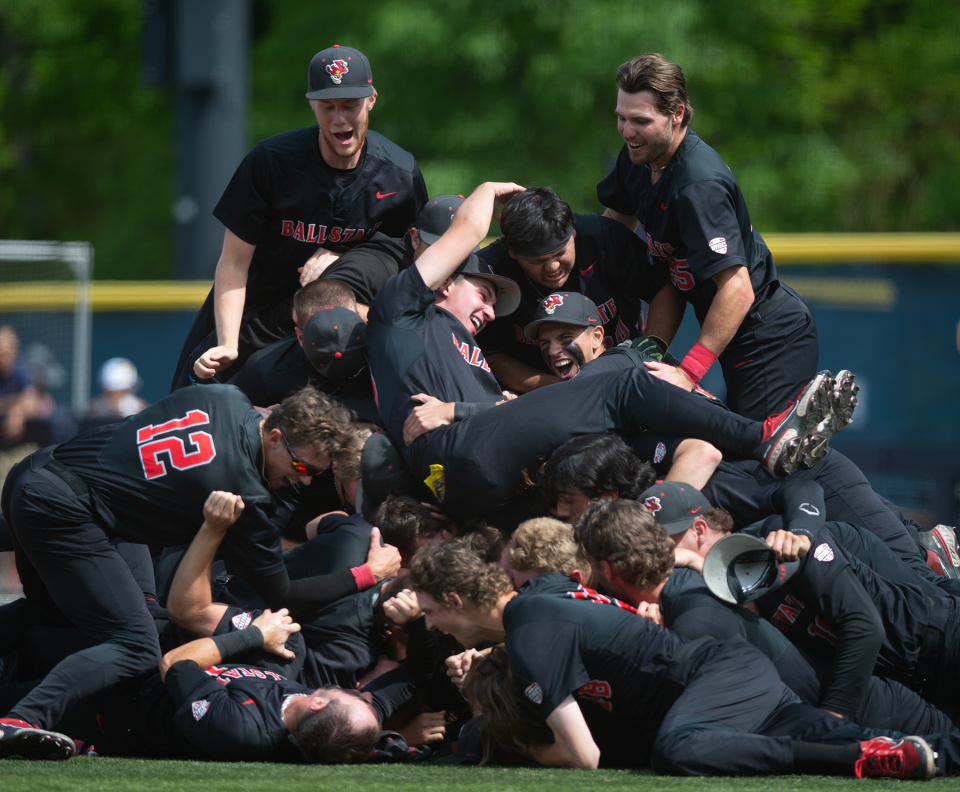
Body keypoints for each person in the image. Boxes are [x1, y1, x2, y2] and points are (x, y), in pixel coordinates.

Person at [365, 182, 844, 528]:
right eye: (485, 294)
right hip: (456, 457)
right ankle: (762, 436)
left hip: (483, 486)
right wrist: (491, 190)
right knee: (623, 380)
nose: (491, 310)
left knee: (626, 440)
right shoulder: (401, 314)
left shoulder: (463, 347)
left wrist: (456, 409)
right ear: (445, 282)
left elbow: (505, 414)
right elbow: (467, 233)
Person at [0, 384, 400, 750]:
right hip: (67, 511)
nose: (306, 482)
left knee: (52, 608)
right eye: (302, 468)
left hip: (38, 472)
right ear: (275, 437)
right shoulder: (246, 495)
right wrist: (367, 575)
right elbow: (282, 592)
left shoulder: (225, 396)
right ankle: (21, 718)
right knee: (138, 647)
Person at [409, 541, 944, 779]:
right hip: (723, 688)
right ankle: (933, 754)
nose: (429, 626)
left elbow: (583, 757)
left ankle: (857, 760)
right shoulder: (540, 598)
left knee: (677, 751)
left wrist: (521, 744)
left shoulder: (529, 635)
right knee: (877, 743)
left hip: (715, 679)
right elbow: (562, 625)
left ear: (456, 601)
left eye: (430, 612)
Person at [575, 497, 960, 736]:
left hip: (942, 641)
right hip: (904, 685)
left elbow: (864, 628)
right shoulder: (706, 593)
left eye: (668, 541)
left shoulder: (780, 540)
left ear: (699, 529)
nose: (660, 554)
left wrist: (830, 722)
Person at [171, 45, 428, 391]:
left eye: (350, 105)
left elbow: (409, 258)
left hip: (338, 319)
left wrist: (345, 255)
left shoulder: (399, 172)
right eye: (327, 107)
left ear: (371, 100)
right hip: (258, 310)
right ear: (312, 105)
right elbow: (233, 262)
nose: (339, 119)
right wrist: (229, 343)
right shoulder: (271, 161)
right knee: (195, 379)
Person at [597, 53, 818, 421]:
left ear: (678, 113)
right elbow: (615, 230)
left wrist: (688, 373)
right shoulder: (640, 155)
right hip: (732, 331)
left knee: (765, 461)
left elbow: (737, 290)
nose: (626, 131)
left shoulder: (697, 186)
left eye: (640, 120)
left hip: (767, 335)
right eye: (621, 117)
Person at [475, 187, 668, 392]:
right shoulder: (490, 271)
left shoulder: (603, 237)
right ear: (512, 252)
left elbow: (664, 286)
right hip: (544, 394)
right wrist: (569, 392)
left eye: (560, 253)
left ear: (573, 231)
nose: (553, 267)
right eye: (537, 260)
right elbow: (490, 354)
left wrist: (650, 349)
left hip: (630, 373)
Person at [0, 326, 41, 446]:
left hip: (21, 447)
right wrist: (14, 404)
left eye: (5, 352)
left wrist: (18, 409)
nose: (2, 355)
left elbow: (31, 402)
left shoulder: (23, 372)